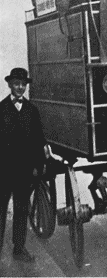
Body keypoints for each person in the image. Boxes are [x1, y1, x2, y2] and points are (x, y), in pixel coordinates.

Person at [0, 68, 47, 263]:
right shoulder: (1, 109)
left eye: (23, 84)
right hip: (3, 171)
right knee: (1, 211)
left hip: (24, 172)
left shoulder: (31, 110)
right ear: (10, 85)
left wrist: (38, 166)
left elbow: (38, 141)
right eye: (16, 83)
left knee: (21, 211)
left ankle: (19, 249)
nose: (20, 87)